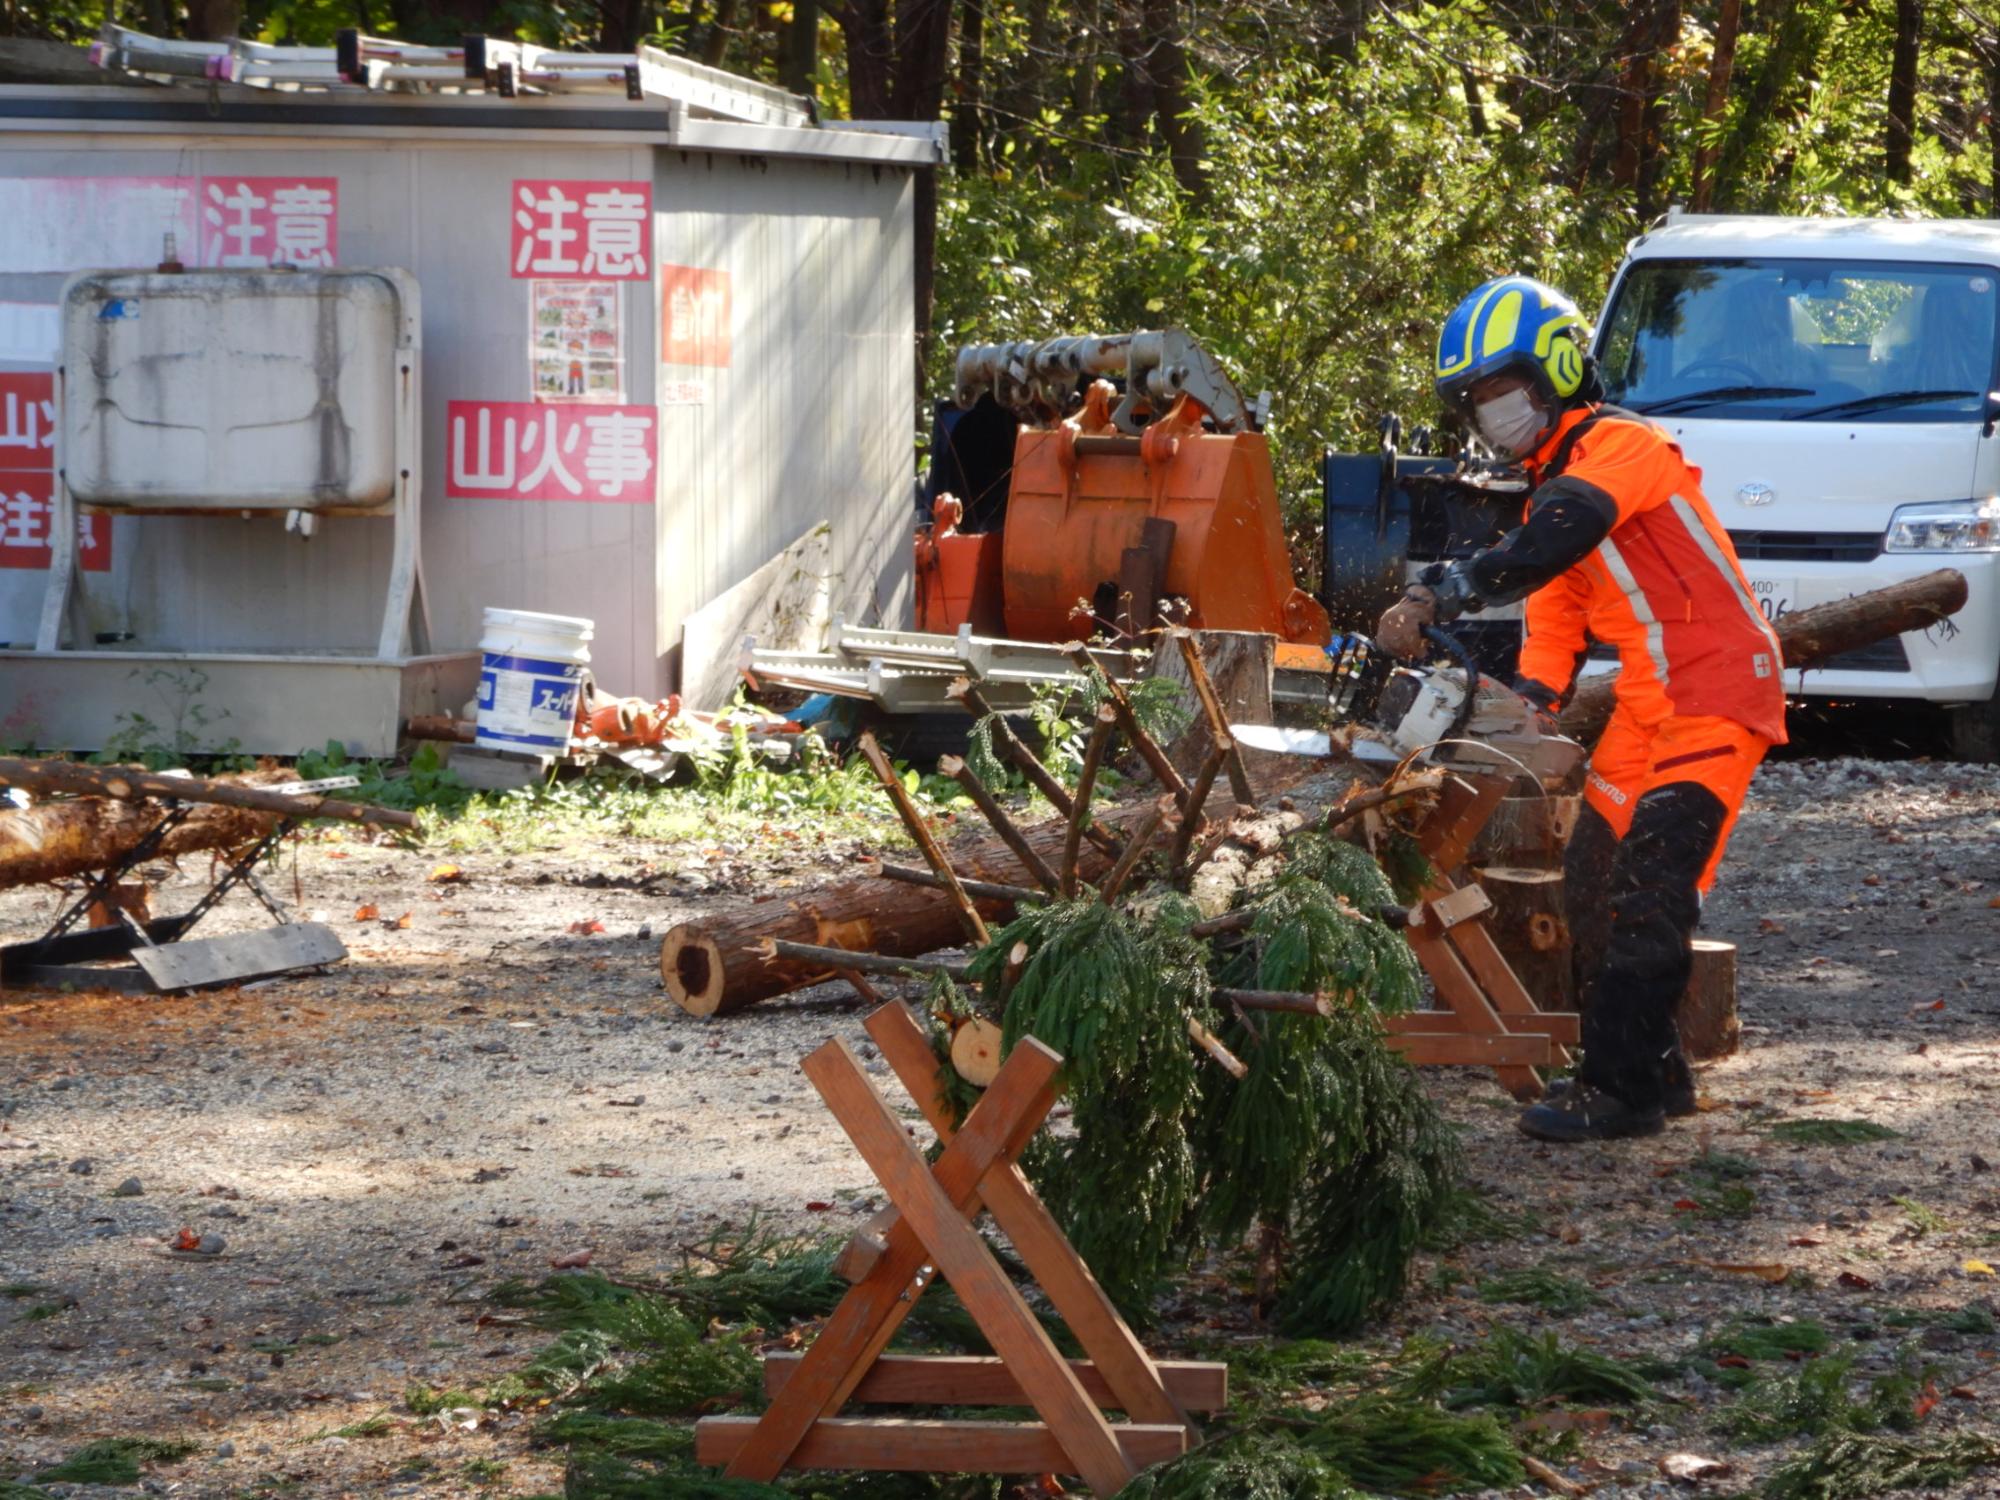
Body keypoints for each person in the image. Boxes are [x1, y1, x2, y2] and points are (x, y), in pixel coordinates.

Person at [1376, 275, 1787, 1142]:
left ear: (1555, 369)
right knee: (1594, 880)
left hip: (1715, 688)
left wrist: (1445, 591)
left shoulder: (1623, 449)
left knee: (1651, 890)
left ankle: (1618, 1089)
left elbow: (1558, 536)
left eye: (1500, 389)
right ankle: (1656, 1070)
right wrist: (1533, 698)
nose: (1492, 411)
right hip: (1649, 700)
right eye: (1476, 400)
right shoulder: (1548, 488)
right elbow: (1555, 608)